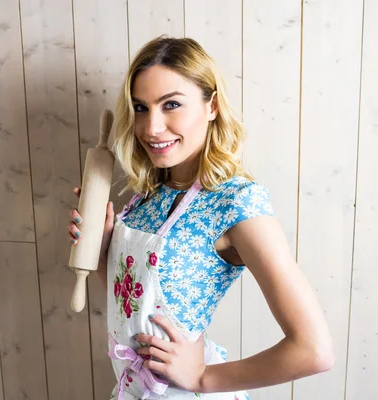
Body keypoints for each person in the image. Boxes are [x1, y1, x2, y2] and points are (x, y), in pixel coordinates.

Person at [69, 36, 333, 400]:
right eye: (141, 108)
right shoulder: (148, 195)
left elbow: (313, 350)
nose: (151, 128)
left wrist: (203, 378)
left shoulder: (236, 202)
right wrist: (101, 254)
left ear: (212, 106)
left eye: (171, 105)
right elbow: (136, 309)